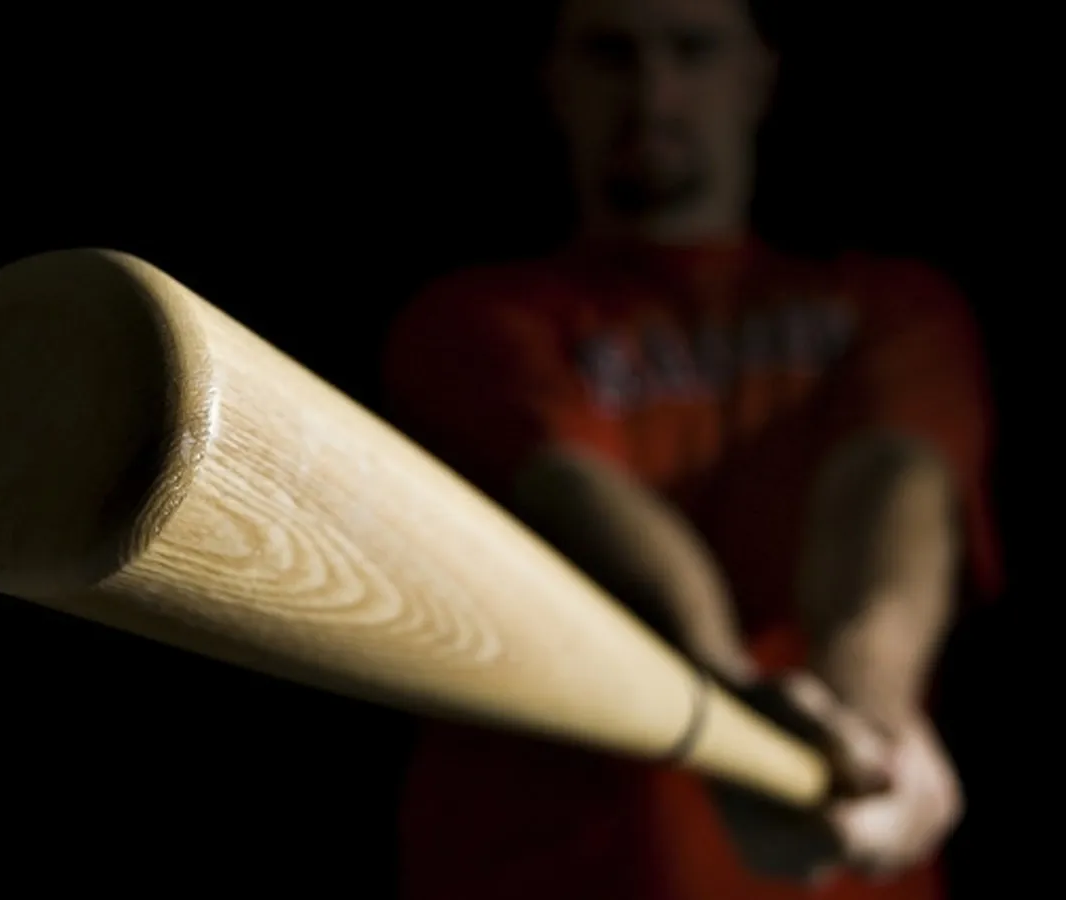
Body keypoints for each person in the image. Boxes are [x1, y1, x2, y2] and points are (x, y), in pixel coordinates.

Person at [382, 0, 1002, 897]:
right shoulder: (471, 321)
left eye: (693, 48)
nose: (654, 91)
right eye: (612, 53)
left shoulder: (892, 306)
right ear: (555, 81)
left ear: (759, 73)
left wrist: (869, 719)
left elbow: (889, 485)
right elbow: (583, 498)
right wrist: (725, 702)